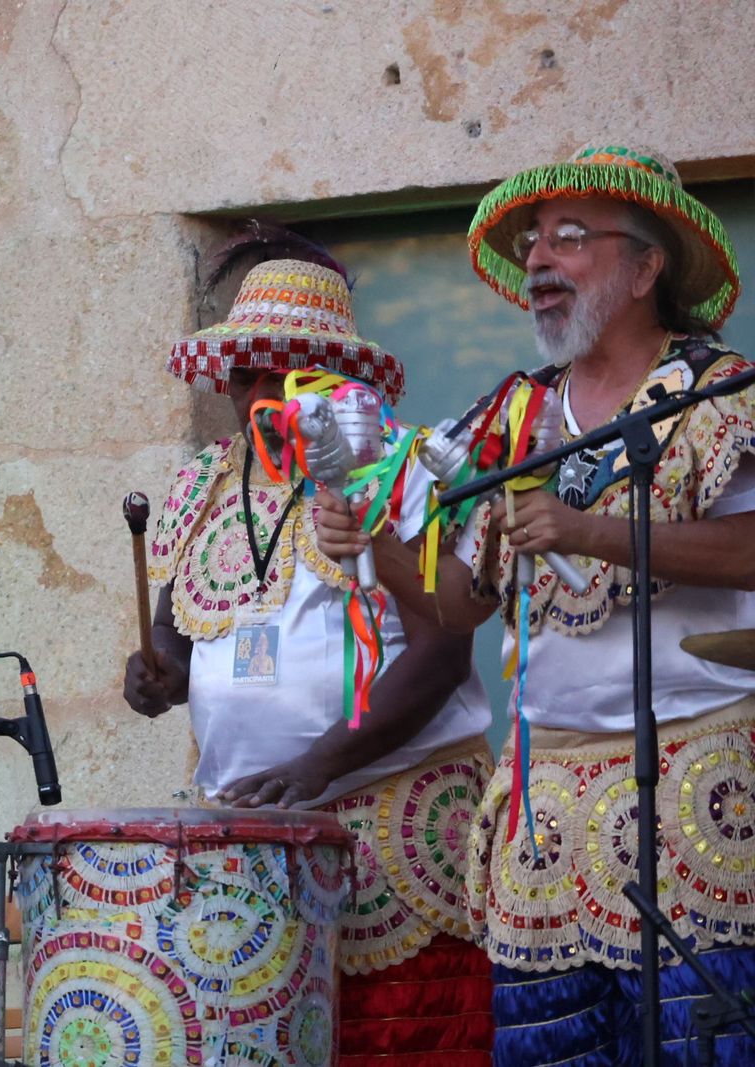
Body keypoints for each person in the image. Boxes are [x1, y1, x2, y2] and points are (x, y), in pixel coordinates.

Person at [315, 141, 755, 1065]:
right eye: (532, 244)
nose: (540, 262)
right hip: (543, 802)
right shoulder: (515, 415)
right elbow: (459, 608)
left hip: (694, 785)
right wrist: (374, 542)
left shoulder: (716, 393)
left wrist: (589, 530)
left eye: (569, 238)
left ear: (646, 267)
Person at [125, 250, 496, 1064]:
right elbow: (176, 637)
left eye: (286, 371)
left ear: (333, 374)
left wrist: (318, 764)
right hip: (257, 851)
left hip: (392, 834)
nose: (262, 391)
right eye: (247, 372)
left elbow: (442, 652)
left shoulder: (400, 469)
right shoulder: (201, 483)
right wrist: (156, 674)